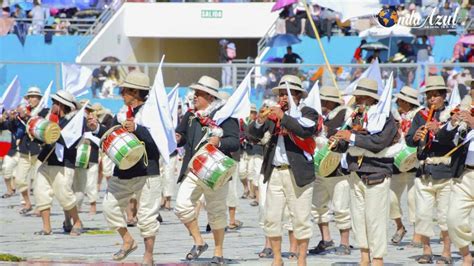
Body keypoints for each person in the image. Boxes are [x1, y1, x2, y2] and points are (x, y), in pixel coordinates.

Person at [90, 70, 161, 265]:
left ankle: (148, 256)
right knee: (109, 206)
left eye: (124, 90)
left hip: (147, 170)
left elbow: (160, 142)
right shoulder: (120, 114)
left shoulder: (152, 113)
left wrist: (138, 129)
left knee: (146, 216)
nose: (121, 94)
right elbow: (111, 134)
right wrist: (97, 128)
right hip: (122, 170)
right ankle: (128, 240)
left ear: (135, 92)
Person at [249, 74, 319, 266]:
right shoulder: (274, 114)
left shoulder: (308, 112)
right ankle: (278, 258)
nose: (281, 98)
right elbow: (252, 136)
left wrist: (283, 117)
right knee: (271, 217)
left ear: (297, 95)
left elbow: (305, 131)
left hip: (299, 174)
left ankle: (301, 258)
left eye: (286, 94)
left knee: (301, 218)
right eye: (280, 94)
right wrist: (260, 121)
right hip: (276, 172)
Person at [331, 78, 398, 266]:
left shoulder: (386, 118)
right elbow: (346, 144)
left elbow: (378, 143)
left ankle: (378, 258)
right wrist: (338, 141)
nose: (358, 101)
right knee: (358, 219)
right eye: (357, 97)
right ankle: (364, 255)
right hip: (356, 173)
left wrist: (351, 136)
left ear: (372, 99)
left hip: (377, 173)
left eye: (362, 97)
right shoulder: (353, 118)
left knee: (375, 219)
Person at [174, 75, 239, 265]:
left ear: (210, 97)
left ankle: (218, 252)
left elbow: (235, 142)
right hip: (194, 169)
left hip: (215, 170)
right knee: (182, 206)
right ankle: (199, 241)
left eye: (199, 94)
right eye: (195, 93)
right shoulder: (191, 114)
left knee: (216, 212)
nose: (194, 97)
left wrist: (219, 141)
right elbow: (183, 136)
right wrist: (178, 137)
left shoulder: (225, 116)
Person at [405, 76, 461, 264]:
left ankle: (446, 252)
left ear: (444, 96)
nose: (432, 99)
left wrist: (438, 130)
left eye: (436, 95)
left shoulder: (454, 114)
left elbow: (454, 140)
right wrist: (416, 137)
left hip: (445, 172)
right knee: (422, 214)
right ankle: (426, 250)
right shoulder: (420, 115)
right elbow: (409, 139)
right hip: (424, 171)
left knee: (445, 216)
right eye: (429, 95)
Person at [34, 90, 84, 236]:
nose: (52, 105)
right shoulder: (51, 120)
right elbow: (44, 138)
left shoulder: (75, 122)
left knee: (64, 194)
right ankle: (46, 227)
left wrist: (55, 134)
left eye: (55, 102)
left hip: (63, 163)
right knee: (40, 192)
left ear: (62, 105)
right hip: (46, 160)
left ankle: (77, 222)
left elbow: (72, 140)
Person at [309, 86, 352, 256]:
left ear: (329, 102)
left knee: (341, 207)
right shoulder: (322, 118)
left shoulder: (345, 116)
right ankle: (326, 239)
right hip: (320, 168)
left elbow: (347, 137)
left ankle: (345, 242)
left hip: (338, 169)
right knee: (318, 206)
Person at [389, 86, 423, 247]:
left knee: (412, 199)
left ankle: (418, 233)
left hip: (414, 161)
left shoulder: (420, 116)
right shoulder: (395, 117)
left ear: (406, 102)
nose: (396, 103)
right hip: (396, 162)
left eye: (399, 100)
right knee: (390, 198)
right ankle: (400, 227)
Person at [447, 78, 474, 266]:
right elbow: (443, 143)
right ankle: (466, 255)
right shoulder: (466, 112)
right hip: (464, 174)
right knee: (453, 219)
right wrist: (451, 125)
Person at [10, 87, 49, 215]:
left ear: (39, 99)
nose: (31, 99)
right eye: (29, 97)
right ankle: (27, 202)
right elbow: (13, 129)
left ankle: (40, 207)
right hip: (24, 150)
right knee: (19, 179)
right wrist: (13, 118)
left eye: (34, 97)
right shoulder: (23, 111)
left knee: (39, 181)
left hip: (38, 150)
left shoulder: (45, 111)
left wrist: (29, 116)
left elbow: (44, 125)